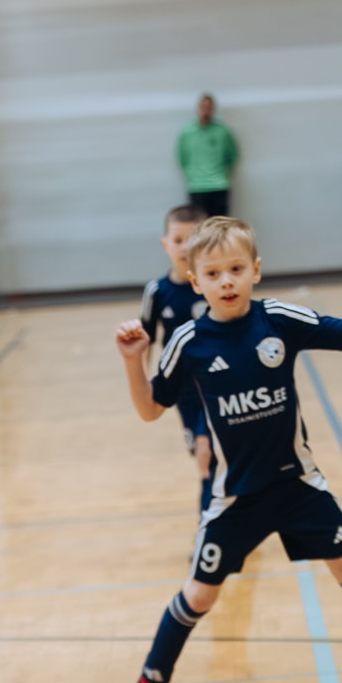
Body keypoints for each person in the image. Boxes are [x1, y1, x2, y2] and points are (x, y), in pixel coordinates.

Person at [114, 216, 342, 683]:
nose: (226, 281)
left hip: (297, 486)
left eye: (236, 269)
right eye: (213, 273)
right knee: (199, 596)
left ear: (256, 270)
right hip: (235, 497)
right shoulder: (187, 342)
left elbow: (340, 328)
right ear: (195, 281)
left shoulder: (278, 319)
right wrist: (134, 361)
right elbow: (151, 409)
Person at [139, 204, 214, 514]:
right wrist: (144, 386)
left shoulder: (215, 285)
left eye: (193, 239)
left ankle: (210, 527)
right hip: (183, 391)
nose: (185, 247)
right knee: (204, 455)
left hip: (219, 383)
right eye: (178, 239)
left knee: (208, 454)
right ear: (165, 244)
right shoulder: (157, 291)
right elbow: (145, 339)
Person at [178, 94, 239, 218]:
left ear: (213, 109)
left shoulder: (222, 131)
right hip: (197, 187)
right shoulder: (187, 132)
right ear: (198, 107)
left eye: (209, 107)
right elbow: (182, 159)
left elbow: (232, 156)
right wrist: (194, 175)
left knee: (220, 224)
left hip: (218, 185)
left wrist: (221, 173)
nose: (206, 111)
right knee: (199, 224)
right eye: (203, 107)